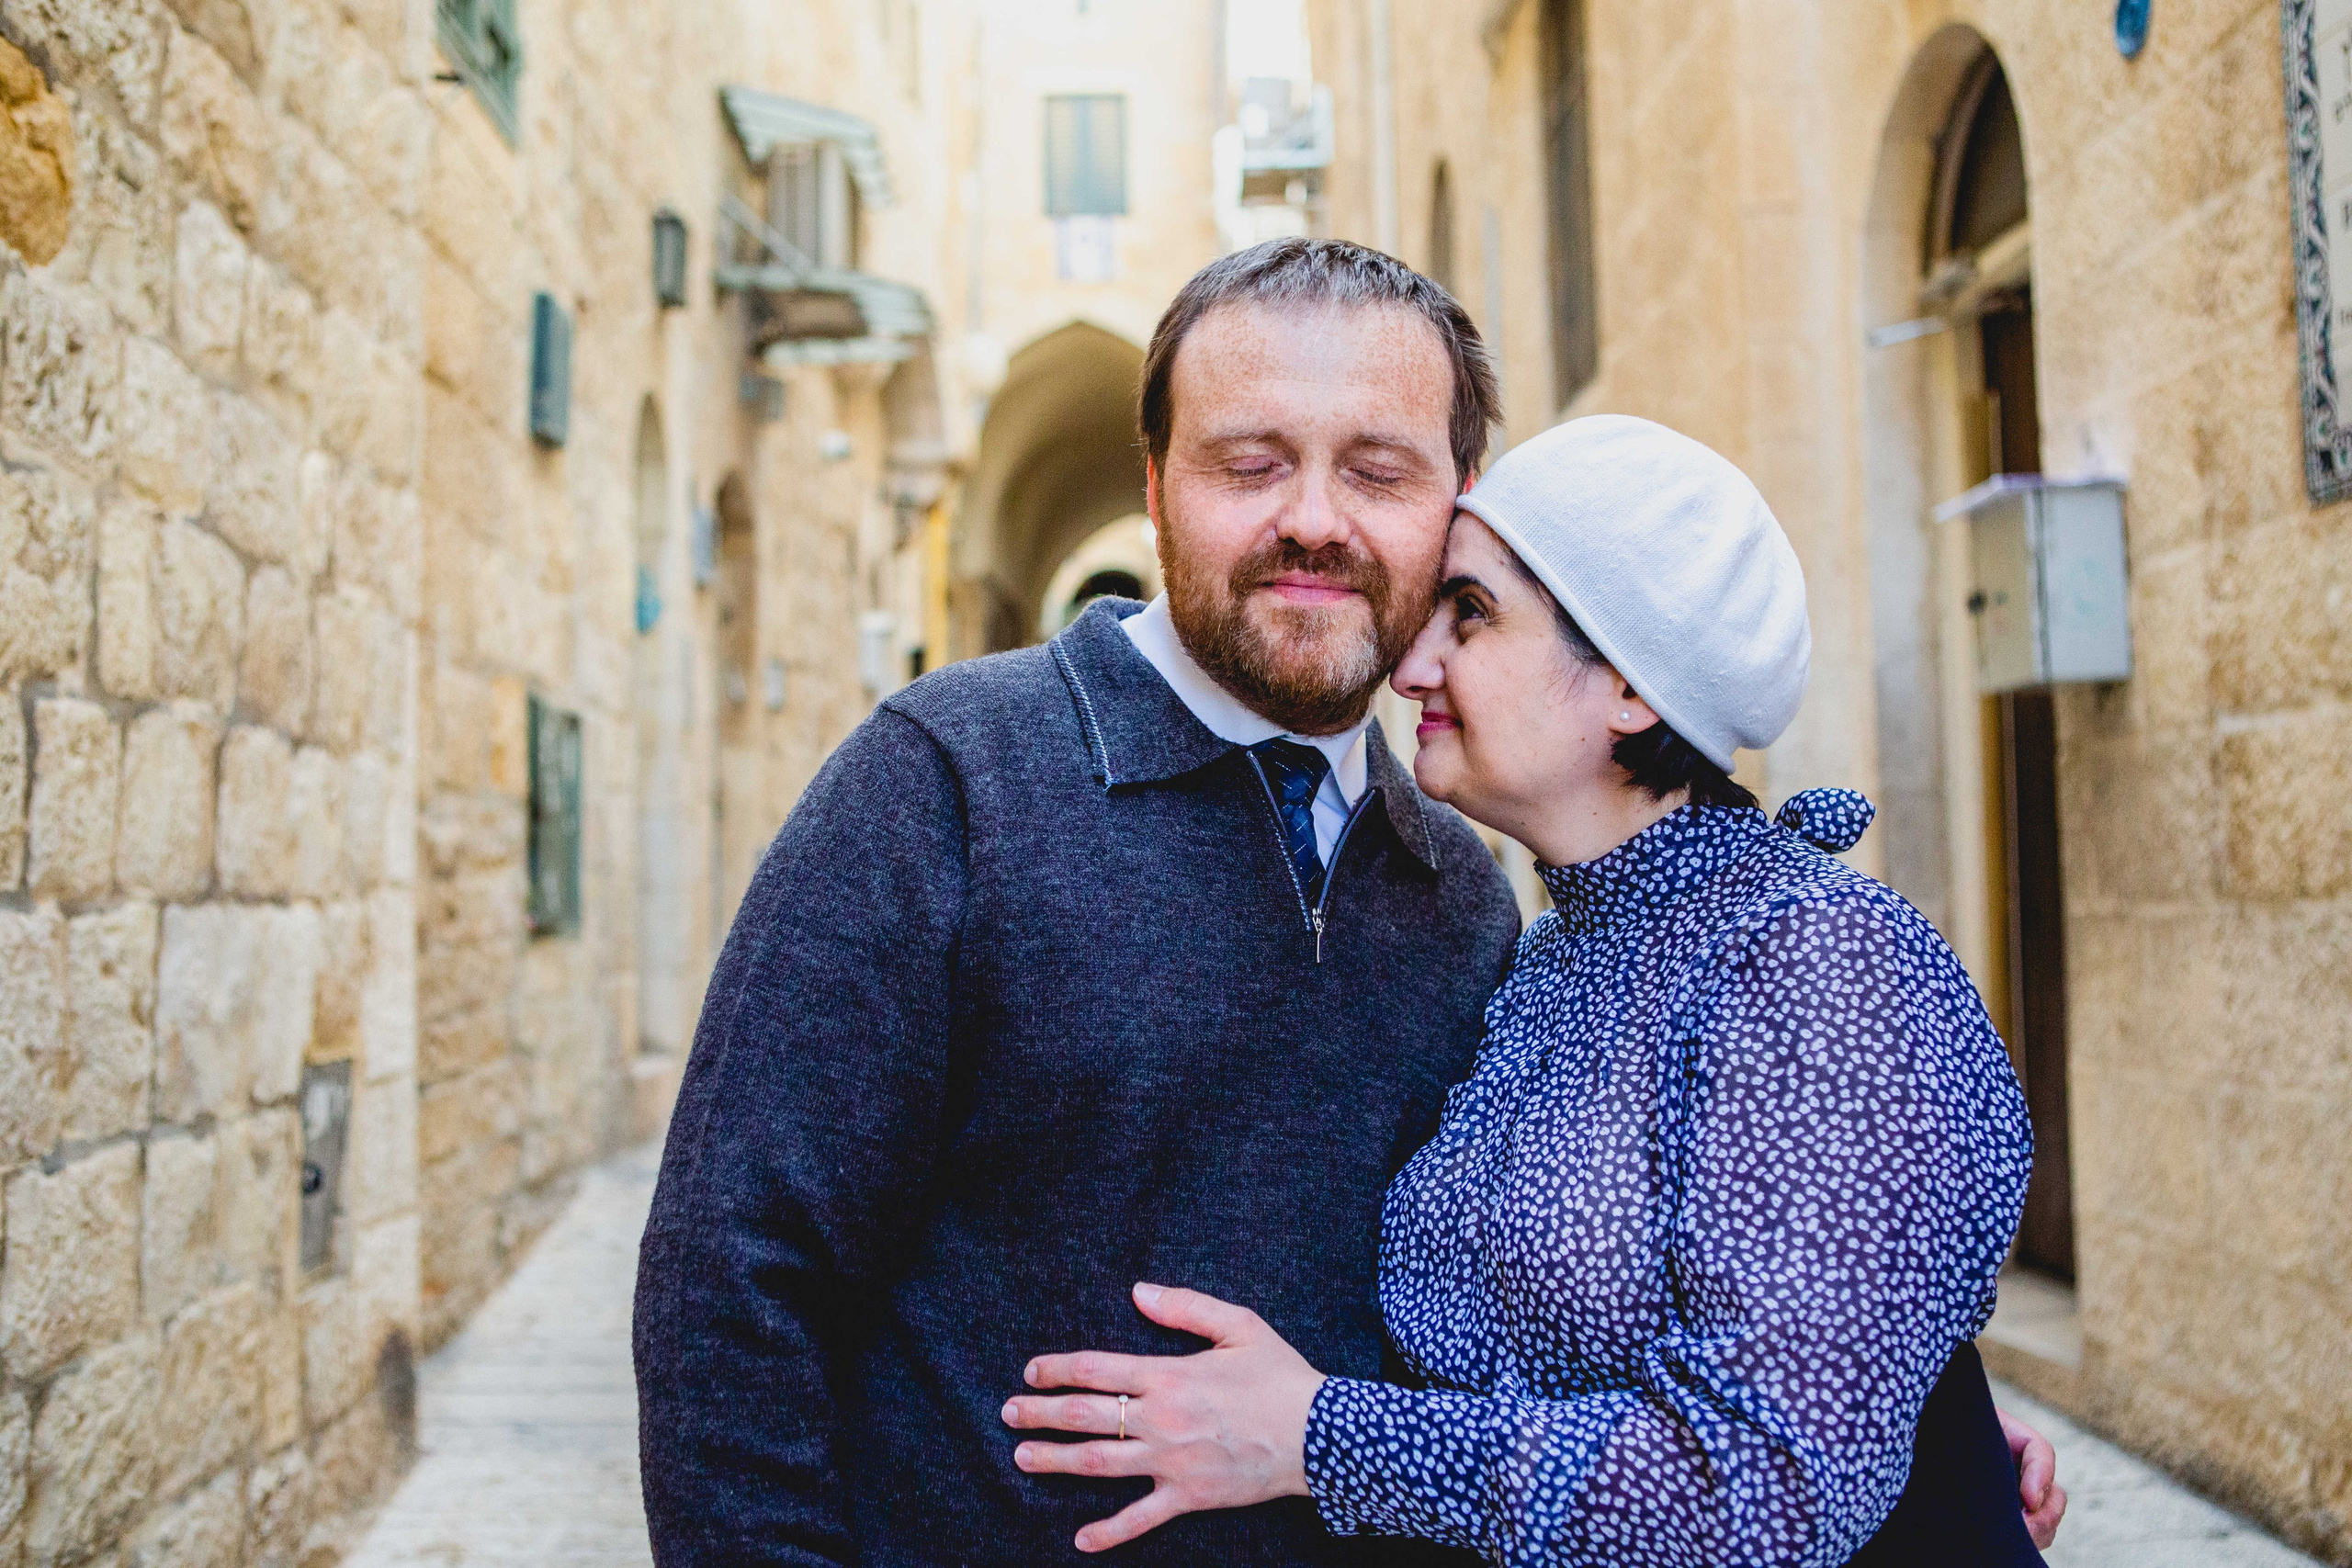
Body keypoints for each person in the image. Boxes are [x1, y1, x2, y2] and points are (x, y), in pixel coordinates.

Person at [1001, 415, 2057, 1567]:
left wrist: (1315, 1435)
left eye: (1473, 612)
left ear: (1630, 688)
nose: (1412, 666)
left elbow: (1762, 1490)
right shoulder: (1547, 959)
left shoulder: (1811, 960)